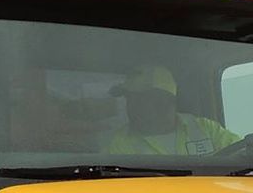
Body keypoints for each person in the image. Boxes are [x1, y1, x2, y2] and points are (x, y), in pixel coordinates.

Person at [104, 65, 242, 157]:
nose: (130, 106)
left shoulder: (206, 128)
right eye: (129, 99)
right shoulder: (117, 144)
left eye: (139, 99)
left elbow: (242, 153)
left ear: (164, 101)